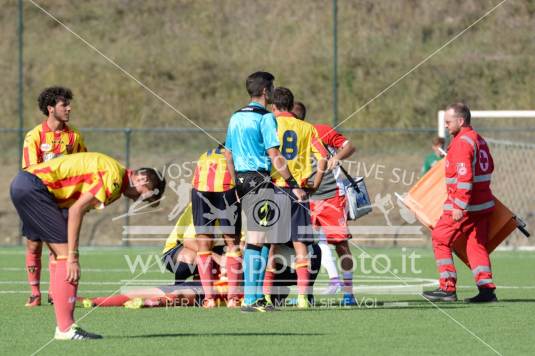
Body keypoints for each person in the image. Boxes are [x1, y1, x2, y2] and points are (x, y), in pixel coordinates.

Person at [10, 152, 165, 340]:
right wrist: (73, 256)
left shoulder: (115, 175)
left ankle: (64, 323)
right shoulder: (115, 178)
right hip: (34, 187)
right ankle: (65, 329)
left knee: (60, 255)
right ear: (142, 179)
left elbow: (71, 207)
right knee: (67, 258)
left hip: (27, 184)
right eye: (144, 196)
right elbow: (77, 210)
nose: (138, 200)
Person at [224, 71, 306, 312]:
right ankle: (251, 299)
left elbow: (228, 154)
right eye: (272, 87)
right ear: (265, 91)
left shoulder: (235, 116)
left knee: (259, 237)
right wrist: (293, 184)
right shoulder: (266, 118)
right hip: (259, 178)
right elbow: (275, 156)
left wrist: (235, 183)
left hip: (241, 178)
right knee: (258, 239)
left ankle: (257, 297)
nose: (273, 91)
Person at [423, 102, 497, 303]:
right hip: (483, 205)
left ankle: (447, 288)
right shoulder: (478, 139)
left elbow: (465, 177)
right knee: (476, 245)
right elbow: (489, 166)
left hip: (467, 206)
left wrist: (459, 205)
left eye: (448, 122)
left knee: (440, 238)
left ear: (460, 120)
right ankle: (487, 290)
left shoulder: (462, 142)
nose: (446, 126)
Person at [22, 86, 87, 307]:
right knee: (33, 244)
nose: (69, 108)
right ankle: (34, 292)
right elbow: (30, 169)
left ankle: (53, 292)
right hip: (37, 198)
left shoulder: (74, 135)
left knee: (57, 247)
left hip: (64, 199)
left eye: (69, 104)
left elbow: (84, 164)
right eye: (64, 105)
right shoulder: (34, 136)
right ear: (51, 109)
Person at [263, 87, 327, 309]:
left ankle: (267, 296)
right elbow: (324, 157)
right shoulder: (307, 128)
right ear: (291, 107)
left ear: (273, 106)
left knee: (272, 246)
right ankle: (302, 298)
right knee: (301, 246)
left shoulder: (269, 124)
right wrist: (316, 182)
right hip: (299, 192)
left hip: (275, 189)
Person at [294, 102, 358, 305]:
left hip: (332, 196)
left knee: (340, 245)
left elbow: (349, 146)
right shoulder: (285, 137)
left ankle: (349, 294)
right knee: (305, 246)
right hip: (306, 198)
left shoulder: (320, 131)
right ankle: (306, 295)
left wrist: (337, 158)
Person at [189, 145, 242, 308]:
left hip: (200, 190)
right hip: (226, 188)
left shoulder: (206, 153)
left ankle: (209, 299)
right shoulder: (237, 151)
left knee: (203, 244)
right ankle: (233, 298)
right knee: (232, 243)